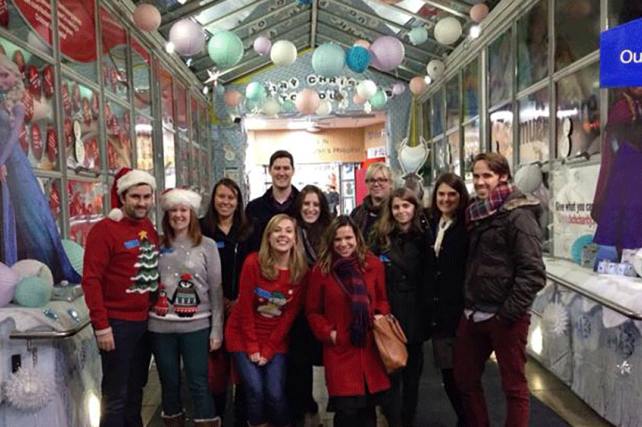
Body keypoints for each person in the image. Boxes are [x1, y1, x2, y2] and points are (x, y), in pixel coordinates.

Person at [453, 153, 546, 427]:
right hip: (473, 312)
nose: (480, 182)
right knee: (465, 379)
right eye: (476, 176)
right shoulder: (477, 212)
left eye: (487, 176)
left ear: (502, 176)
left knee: (514, 387)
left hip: (505, 315)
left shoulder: (518, 215)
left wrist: (507, 314)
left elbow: (533, 272)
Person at [82, 167, 158, 427]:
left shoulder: (148, 227)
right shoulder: (104, 231)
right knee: (116, 395)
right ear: (123, 196)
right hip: (116, 325)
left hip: (144, 323)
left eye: (147, 196)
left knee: (137, 390)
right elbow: (91, 280)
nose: (142, 202)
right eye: (136, 197)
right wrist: (102, 326)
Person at [0, 53, 79, 283]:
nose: (2, 80)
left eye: (6, 75)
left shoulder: (17, 107)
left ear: (14, 78)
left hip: (13, 163)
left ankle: (47, 270)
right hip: (3, 161)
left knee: (30, 216)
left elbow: (13, 138)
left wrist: (1, 161)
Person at [307, 215, 391, 427]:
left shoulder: (372, 264)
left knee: (368, 412)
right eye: (337, 240)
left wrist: (379, 314)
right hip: (340, 350)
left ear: (357, 238)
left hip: (369, 348)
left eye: (348, 238)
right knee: (346, 412)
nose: (343, 244)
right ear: (330, 242)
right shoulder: (321, 270)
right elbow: (313, 311)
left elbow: (382, 299)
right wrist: (329, 334)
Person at [225, 214, 309, 427]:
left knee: (275, 394)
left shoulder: (301, 271)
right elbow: (243, 307)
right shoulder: (254, 262)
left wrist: (269, 348)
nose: (283, 235)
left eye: (288, 231)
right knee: (254, 391)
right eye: (277, 230)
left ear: (295, 238)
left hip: (275, 338)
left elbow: (289, 315)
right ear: (268, 236)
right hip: (243, 334)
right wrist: (252, 346)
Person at [149, 188, 223, 427]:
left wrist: (217, 330)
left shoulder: (207, 246)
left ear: (192, 214)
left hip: (197, 326)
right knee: (169, 384)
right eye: (173, 210)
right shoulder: (156, 245)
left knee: (198, 383)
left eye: (184, 210)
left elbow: (216, 290)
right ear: (166, 214)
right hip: (160, 328)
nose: (178, 215)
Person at [200, 178, 261, 427]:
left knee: (244, 368)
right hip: (210, 308)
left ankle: (241, 418)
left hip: (244, 307)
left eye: (231, 197)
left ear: (238, 201)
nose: (226, 202)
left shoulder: (251, 230)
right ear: (214, 199)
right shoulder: (201, 229)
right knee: (215, 371)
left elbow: (260, 267)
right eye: (221, 196)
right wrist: (219, 300)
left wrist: (241, 300)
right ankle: (216, 417)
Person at [370, 188, 433, 427]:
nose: (401, 211)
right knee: (390, 371)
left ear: (414, 208)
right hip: (390, 312)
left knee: (413, 377)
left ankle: (408, 419)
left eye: (406, 206)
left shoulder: (424, 236)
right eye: (396, 207)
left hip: (416, 313)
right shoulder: (380, 237)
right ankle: (393, 419)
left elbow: (429, 277)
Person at [288, 185, 332, 427]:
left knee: (331, 363)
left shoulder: (330, 231)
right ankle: (306, 413)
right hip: (297, 310)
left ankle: (336, 411)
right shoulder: (291, 231)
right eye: (306, 204)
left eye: (315, 204)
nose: (311, 209)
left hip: (326, 309)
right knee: (300, 367)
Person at [428, 173, 469, 427]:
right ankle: (464, 418)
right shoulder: (432, 224)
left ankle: (469, 420)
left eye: (452, 194)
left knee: (463, 375)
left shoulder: (466, 226)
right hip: (439, 313)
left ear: (460, 196)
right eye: (441, 194)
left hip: (461, 312)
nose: (446, 199)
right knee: (447, 371)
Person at [246, 150, 299, 237]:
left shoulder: (303, 207)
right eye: (277, 168)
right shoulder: (254, 208)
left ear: (293, 171)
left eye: (286, 168)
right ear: (270, 170)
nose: (281, 173)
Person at [350, 162, 392, 243]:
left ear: (390, 183)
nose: (376, 184)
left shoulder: (396, 211)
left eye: (381, 180)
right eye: (372, 180)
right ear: (367, 183)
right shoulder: (356, 214)